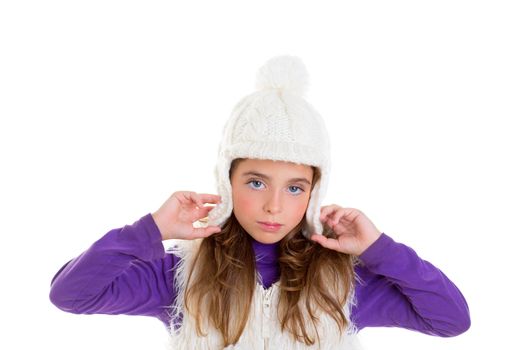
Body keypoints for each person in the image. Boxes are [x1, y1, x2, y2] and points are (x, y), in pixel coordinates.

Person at [49, 55, 471, 349]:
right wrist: (151, 231)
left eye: (294, 188)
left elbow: (451, 320)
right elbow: (72, 294)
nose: (274, 206)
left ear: (314, 193)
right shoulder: (181, 275)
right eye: (255, 182)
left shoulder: (340, 284)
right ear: (227, 180)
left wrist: (380, 250)